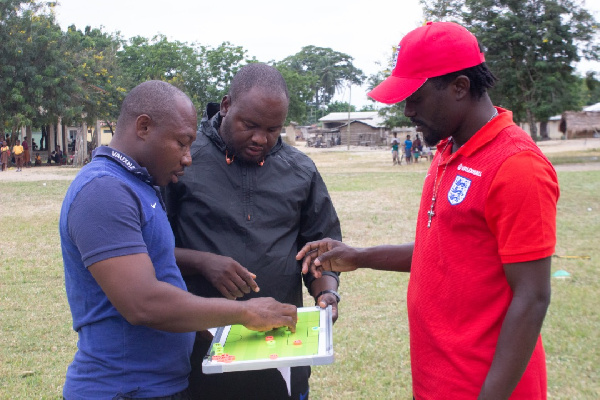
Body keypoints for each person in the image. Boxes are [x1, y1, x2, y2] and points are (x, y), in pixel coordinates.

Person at [297, 21, 559, 400]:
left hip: (484, 387)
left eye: (416, 97)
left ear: (459, 87)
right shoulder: (447, 151)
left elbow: (533, 297)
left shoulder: (517, 166)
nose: (407, 110)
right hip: (438, 381)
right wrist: (360, 256)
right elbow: (446, 253)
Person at [59, 80, 297, 400]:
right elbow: (142, 303)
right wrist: (243, 313)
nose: (188, 158)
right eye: (182, 143)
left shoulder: (139, 186)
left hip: (161, 385)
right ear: (143, 126)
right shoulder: (104, 191)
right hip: (123, 390)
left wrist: (225, 331)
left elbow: (160, 271)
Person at [164, 63, 342, 400]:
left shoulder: (300, 169)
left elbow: (320, 250)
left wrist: (325, 293)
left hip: (281, 349)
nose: (261, 139)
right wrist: (204, 262)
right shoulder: (184, 161)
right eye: (251, 125)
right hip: (199, 347)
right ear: (227, 105)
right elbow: (152, 248)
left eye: (273, 129)